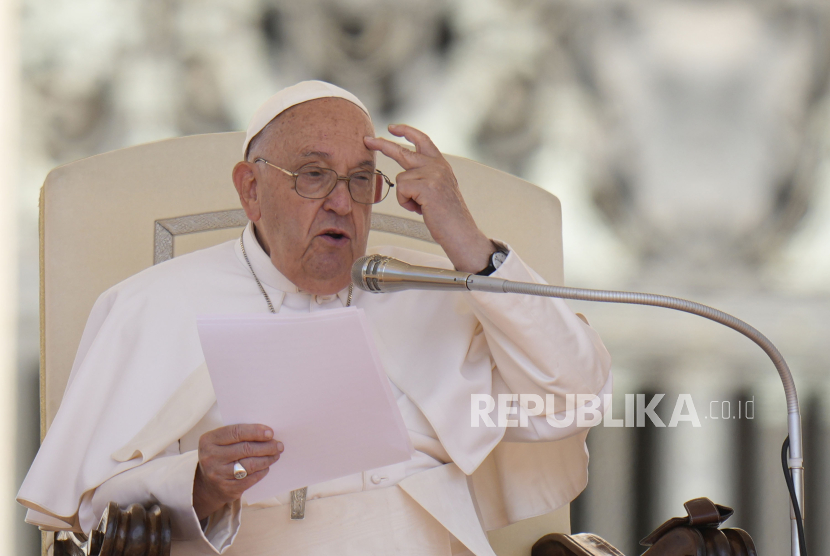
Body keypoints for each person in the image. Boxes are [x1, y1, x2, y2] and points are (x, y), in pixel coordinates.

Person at [18, 81, 611, 556]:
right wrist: (199, 483)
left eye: (360, 181)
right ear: (251, 190)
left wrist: (466, 240)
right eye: (313, 174)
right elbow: (91, 517)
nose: (340, 202)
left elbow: (577, 398)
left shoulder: (441, 287)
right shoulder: (151, 305)